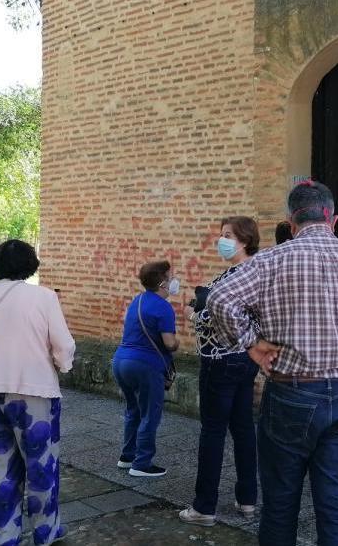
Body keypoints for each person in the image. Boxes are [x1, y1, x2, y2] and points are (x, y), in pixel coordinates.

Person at [207, 180, 338, 546]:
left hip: (292, 393)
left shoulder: (270, 261)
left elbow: (219, 298)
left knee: (279, 505)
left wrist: (252, 345)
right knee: (336, 505)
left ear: (291, 223)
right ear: (333, 219)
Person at [0, 239, 76, 546]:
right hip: (35, 393)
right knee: (41, 466)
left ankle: (5, 536)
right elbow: (64, 346)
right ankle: (45, 531)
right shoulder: (44, 298)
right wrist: (63, 364)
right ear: (31, 264)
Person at [179, 217, 261, 527]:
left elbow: (214, 317)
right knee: (243, 428)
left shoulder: (235, 276)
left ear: (244, 240)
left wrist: (192, 313)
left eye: (228, 235)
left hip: (220, 359)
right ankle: (248, 499)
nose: (221, 240)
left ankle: (204, 506)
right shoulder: (255, 271)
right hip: (246, 358)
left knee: (213, 431)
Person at [112, 260, 180, 478]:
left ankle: (127, 456)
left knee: (134, 409)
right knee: (151, 414)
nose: (174, 282)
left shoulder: (138, 300)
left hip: (121, 361)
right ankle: (141, 463)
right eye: (171, 278)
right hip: (145, 365)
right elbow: (169, 343)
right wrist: (178, 344)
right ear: (162, 283)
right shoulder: (163, 307)